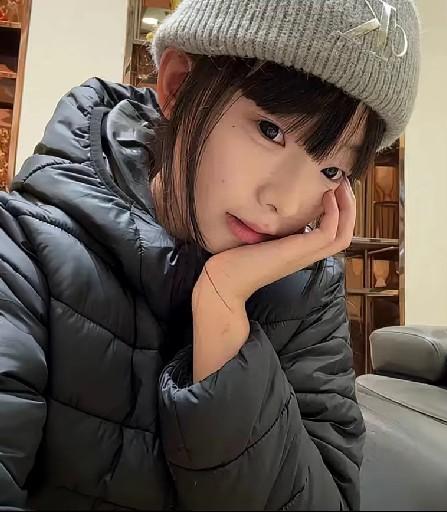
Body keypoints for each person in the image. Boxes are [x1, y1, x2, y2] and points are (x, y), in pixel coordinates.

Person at [0, 0, 420, 509]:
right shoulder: (20, 252)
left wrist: (223, 313)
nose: (284, 202)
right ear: (178, 85)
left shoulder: (308, 292)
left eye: (331, 170)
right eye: (271, 131)